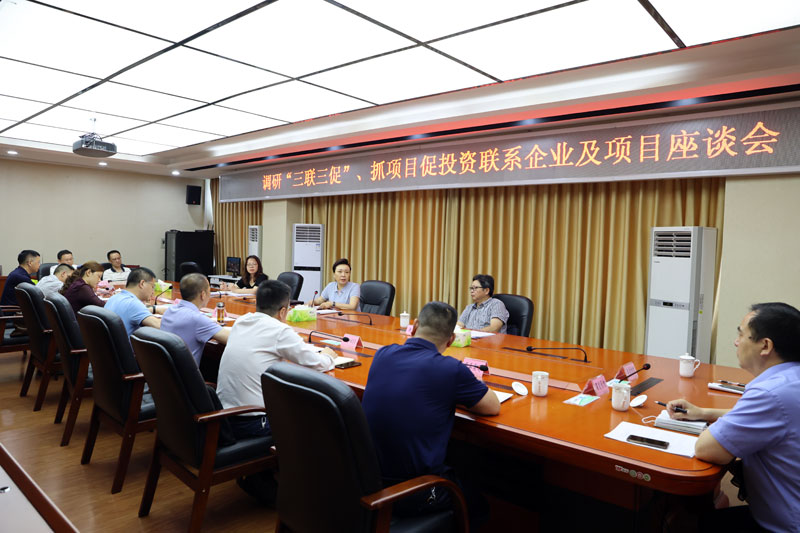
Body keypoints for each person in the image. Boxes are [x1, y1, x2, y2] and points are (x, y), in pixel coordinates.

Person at [362, 301, 500, 529]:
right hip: (411, 493)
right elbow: (492, 406)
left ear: (415, 326)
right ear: (451, 340)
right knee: (478, 504)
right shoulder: (450, 369)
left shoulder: (383, 354)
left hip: (368, 481)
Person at [667, 303, 800, 532]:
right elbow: (772, 419)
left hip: (784, 525)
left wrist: (714, 426)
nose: (736, 342)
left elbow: (707, 449)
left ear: (765, 345)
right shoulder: (790, 380)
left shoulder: (769, 393)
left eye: (741, 334)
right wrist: (703, 413)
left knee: (684, 524)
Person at [216, 279, 336, 440]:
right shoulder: (279, 330)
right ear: (283, 311)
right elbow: (316, 363)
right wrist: (328, 356)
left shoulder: (241, 321)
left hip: (224, 418)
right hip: (253, 422)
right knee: (316, 416)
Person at [161, 273, 229, 366]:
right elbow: (231, 338)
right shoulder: (197, 319)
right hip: (186, 374)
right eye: (209, 291)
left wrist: (208, 324)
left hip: (166, 371)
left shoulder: (169, 311)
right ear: (203, 294)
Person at [104, 267, 167, 335]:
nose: (153, 292)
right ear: (142, 283)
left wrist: (155, 309)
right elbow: (159, 325)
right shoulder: (133, 303)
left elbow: (131, 312)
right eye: (152, 286)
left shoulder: (114, 298)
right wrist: (174, 314)